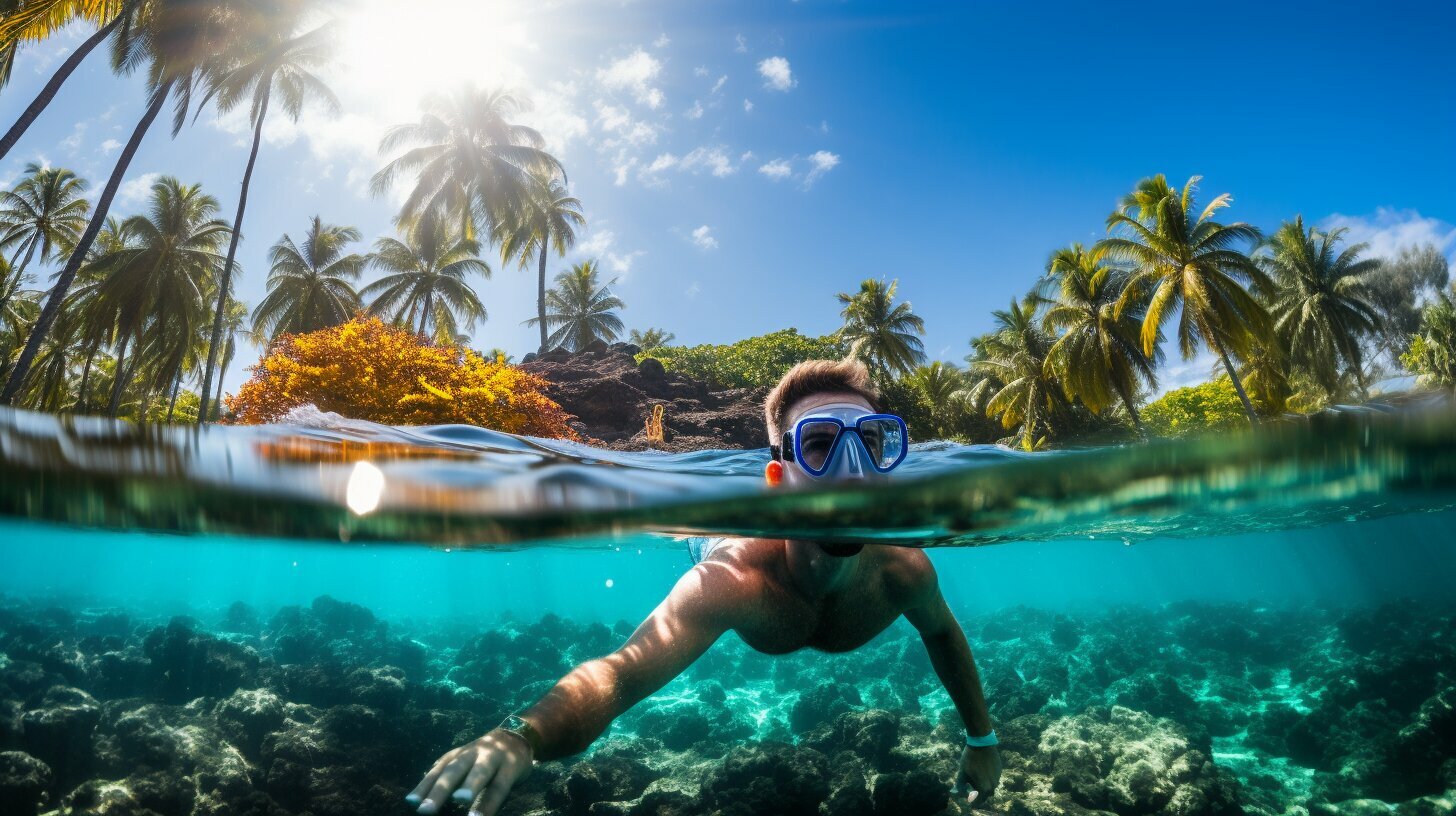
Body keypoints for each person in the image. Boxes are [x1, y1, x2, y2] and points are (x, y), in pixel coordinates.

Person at [406, 359, 1002, 816]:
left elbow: (944, 635)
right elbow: (621, 672)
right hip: (710, 539)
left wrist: (983, 739)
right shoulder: (730, 582)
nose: (853, 470)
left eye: (872, 444)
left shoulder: (905, 571)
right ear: (777, 478)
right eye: (820, 445)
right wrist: (521, 736)